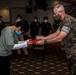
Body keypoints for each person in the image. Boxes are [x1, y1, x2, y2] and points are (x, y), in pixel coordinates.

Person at [36, 4, 76, 75]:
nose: (54, 16)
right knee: (71, 69)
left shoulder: (68, 20)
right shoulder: (62, 21)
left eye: (55, 14)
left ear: (61, 12)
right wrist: (42, 38)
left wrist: (44, 42)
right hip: (70, 50)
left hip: (74, 50)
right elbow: (56, 33)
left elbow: (59, 38)